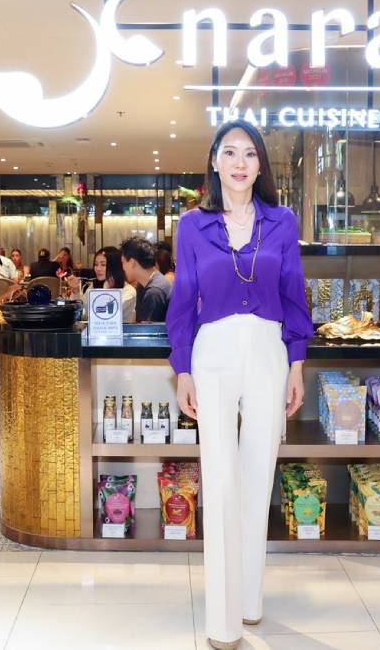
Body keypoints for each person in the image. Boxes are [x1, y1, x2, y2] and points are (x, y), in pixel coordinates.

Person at [166, 121, 312, 650]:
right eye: (230, 152)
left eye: (249, 154)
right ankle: (223, 621)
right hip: (214, 355)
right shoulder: (192, 225)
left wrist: (296, 363)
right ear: (214, 161)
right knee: (222, 479)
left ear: (259, 165)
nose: (240, 162)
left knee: (257, 476)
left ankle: (250, 600)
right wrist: (183, 368)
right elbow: (184, 300)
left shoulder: (282, 221)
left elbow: (294, 294)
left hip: (268, 352)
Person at [67, 246, 137, 323]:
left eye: (103, 265)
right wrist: (76, 291)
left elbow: (105, 316)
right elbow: (84, 313)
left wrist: (106, 290)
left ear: (115, 266)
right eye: (96, 264)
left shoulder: (128, 291)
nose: (98, 269)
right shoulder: (93, 287)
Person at [121, 236, 171, 323]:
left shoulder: (154, 292)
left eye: (123, 262)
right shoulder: (144, 284)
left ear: (132, 262)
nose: (123, 268)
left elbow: (147, 330)